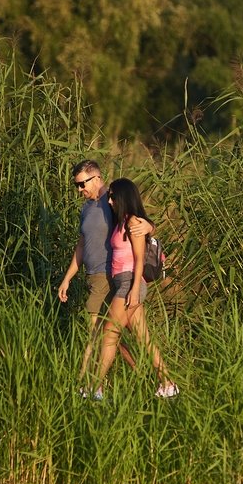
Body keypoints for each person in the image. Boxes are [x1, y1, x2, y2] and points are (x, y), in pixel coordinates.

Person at [57, 160, 152, 392]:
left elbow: (136, 218)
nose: (79, 190)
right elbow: (82, 245)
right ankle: (150, 381)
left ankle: (85, 386)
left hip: (108, 275)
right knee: (119, 337)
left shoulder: (111, 199)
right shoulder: (87, 208)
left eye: (82, 184)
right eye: (76, 186)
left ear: (96, 177)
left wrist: (150, 226)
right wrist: (68, 277)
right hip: (93, 276)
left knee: (96, 333)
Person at [95, 177, 178, 400]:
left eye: (113, 196)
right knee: (144, 340)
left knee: (109, 333)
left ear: (124, 197)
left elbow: (139, 259)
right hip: (123, 283)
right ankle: (168, 384)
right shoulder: (121, 221)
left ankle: (95, 387)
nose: (110, 200)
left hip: (131, 283)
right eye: (109, 196)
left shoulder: (133, 223)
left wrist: (133, 290)